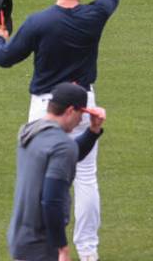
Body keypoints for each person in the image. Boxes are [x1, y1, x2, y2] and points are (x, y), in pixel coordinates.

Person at [0, 0, 121, 261]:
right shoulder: (95, 14)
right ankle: (88, 253)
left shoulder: (39, 21)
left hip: (45, 111)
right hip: (83, 105)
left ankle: (43, 245)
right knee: (86, 177)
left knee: (39, 177)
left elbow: (5, 58)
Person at [8, 82, 106, 261]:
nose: (80, 120)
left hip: (20, 236)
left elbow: (68, 154)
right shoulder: (62, 146)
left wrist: (93, 131)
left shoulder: (29, 132)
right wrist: (62, 247)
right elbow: (51, 199)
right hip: (42, 242)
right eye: (81, 114)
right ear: (70, 111)